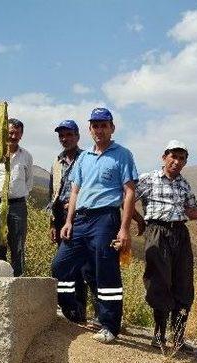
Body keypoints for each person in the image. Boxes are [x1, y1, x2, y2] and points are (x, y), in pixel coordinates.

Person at [51, 107, 138, 343]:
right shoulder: (84, 158)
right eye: (95, 126)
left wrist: (124, 228)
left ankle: (109, 324)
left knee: (105, 270)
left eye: (104, 125)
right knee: (60, 265)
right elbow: (75, 190)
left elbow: (129, 192)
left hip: (105, 219)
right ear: (89, 130)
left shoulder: (123, 154)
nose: (99, 130)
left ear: (112, 128)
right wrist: (68, 221)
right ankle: (70, 309)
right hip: (80, 219)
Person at [133, 140, 197, 351]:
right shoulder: (148, 179)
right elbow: (126, 199)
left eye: (181, 158)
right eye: (173, 156)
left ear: (185, 162)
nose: (177, 161)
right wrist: (139, 220)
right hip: (157, 232)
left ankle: (178, 338)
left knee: (183, 284)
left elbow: (191, 212)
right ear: (164, 157)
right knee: (159, 282)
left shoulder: (184, 184)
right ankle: (158, 335)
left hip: (180, 234)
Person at [48, 120, 95, 324]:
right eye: (62, 136)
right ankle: (70, 308)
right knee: (64, 264)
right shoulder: (57, 162)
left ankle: (81, 309)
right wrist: (52, 223)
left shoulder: (87, 158)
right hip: (60, 217)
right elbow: (53, 193)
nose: (65, 139)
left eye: (69, 135)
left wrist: (76, 204)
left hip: (80, 216)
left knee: (83, 266)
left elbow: (92, 186)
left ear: (77, 136)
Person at [0, 118, 34, 277]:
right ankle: (0, 281)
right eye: (10, 132)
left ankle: (19, 281)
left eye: (17, 133)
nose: (13, 136)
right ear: (4, 133)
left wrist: (16, 195)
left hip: (18, 206)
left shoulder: (26, 156)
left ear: (21, 135)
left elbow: (29, 182)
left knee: (18, 246)